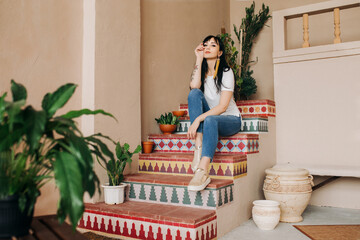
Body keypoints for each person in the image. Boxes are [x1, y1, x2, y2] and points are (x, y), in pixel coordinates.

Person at [187, 35, 242, 191]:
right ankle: (198, 148)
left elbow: (223, 107)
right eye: (206, 45)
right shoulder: (202, 72)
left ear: (220, 53)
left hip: (231, 120)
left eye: (213, 45)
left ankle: (203, 170)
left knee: (210, 119)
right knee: (194, 94)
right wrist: (198, 58)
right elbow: (194, 86)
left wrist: (198, 119)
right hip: (211, 118)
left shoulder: (226, 72)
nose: (208, 47)